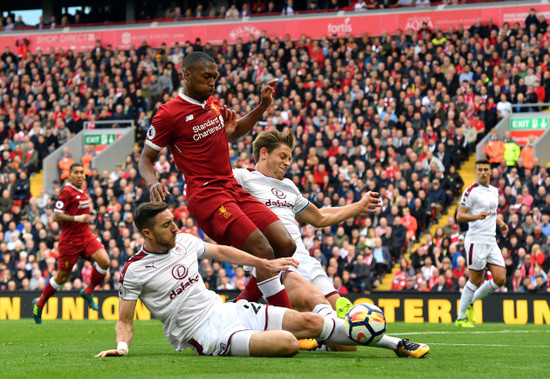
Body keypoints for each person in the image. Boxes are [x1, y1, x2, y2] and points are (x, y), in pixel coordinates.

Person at [93, 202, 422, 358]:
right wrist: (122, 347)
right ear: (147, 233)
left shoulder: (186, 242)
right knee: (289, 343)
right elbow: (125, 320)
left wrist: (266, 262)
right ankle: (326, 336)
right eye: (167, 225)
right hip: (205, 335)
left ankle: (394, 344)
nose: (176, 228)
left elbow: (223, 253)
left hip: (227, 312)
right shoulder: (134, 270)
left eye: (174, 221)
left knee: (309, 321)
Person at [233, 129, 429, 357]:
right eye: (283, 156)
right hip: (276, 263)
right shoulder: (242, 179)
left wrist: (359, 206)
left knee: (348, 342)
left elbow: (319, 218)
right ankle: (396, 343)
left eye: (290, 157)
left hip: (304, 260)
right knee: (315, 301)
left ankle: (309, 335)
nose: (288, 162)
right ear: (264, 153)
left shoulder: (289, 187)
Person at [139, 51, 296, 308]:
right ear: (187, 75)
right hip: (207, 195)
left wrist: (262, 106)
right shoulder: (168, 114)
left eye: (215, 77)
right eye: (206, 77)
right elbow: (145, 159)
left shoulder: (212, 103)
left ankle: (244, 305)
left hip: (231, 186)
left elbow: (233, 132)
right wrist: (153, 182)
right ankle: (290, 323)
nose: (212, 82)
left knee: (285, 244)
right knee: (263, 251)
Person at [32, 163, 111, 324]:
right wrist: (77, 218)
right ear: (70, 175)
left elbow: (84, 209)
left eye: (82, 172)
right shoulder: (67, 192)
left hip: (86, 236)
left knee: (105, 261)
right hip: (70, 242)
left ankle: (88, 292)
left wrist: (95, 211)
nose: (80, 175)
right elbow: (56, 216)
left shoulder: (83, 189)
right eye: (76, 173)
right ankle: (39, 304)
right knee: (62, 278)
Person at [455, 160, 509, 328]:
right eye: (480, 170)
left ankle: (472, 302)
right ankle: (461, 318)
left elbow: (493, 212)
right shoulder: (471, 191)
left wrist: (500, 223)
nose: (483, 172)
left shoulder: (494, 191)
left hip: (491, 240)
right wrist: (476, 217)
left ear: (490, 171)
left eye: (486, 169)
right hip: (476, 240)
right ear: (476, 172)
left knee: (500, 279)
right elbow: (460, 216)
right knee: (475, 280)